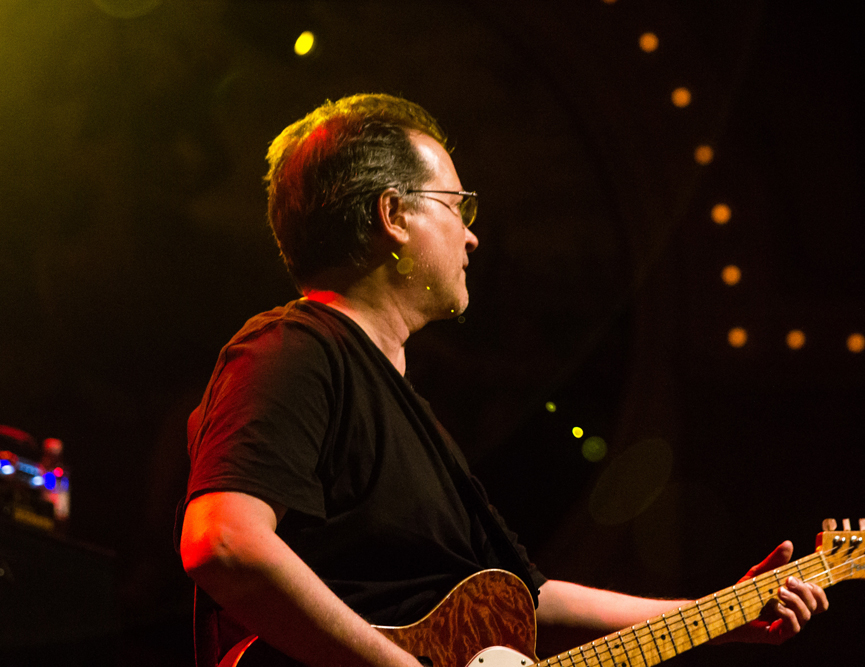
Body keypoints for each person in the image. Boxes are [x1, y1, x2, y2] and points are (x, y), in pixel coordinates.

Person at [178, 94, 827, 667]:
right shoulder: (293, 348)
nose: (472, 238)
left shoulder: (407, 411)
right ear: (393, 214)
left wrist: (721, 613)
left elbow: (530, 600)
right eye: (457, 206)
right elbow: (224, 541)